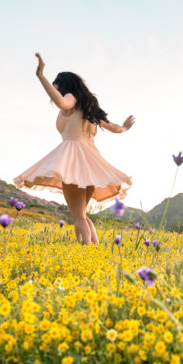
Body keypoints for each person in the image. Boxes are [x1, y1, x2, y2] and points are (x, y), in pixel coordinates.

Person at [14, 53, 134, 244]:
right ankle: (94, 253)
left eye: (56, 88)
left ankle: (85, 253)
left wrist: (40, 76)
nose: (56, 93)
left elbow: (62, 102)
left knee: (77, 216)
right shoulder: (90, 109)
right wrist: (125, 127)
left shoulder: (70, 98)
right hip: (91, 162)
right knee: (82, 215)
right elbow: (115, 129)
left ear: (63, 86)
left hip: (73, 159)